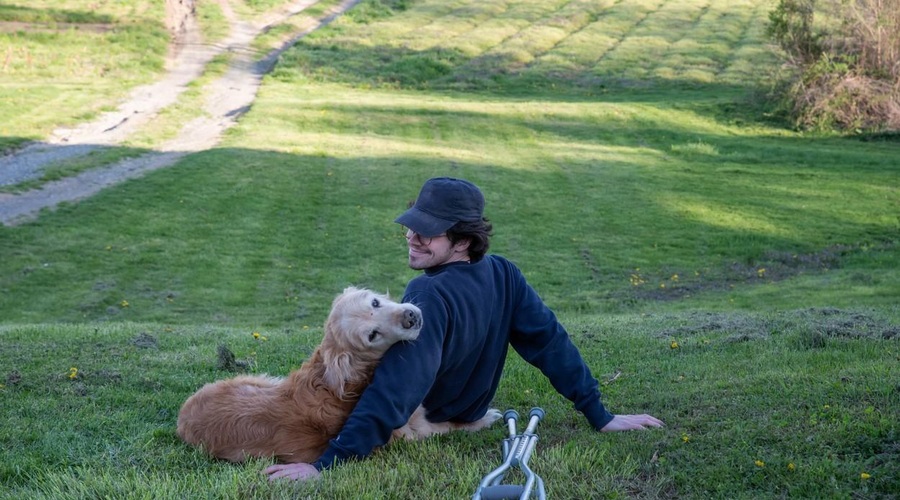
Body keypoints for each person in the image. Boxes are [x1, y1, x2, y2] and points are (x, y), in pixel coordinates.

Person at [266, 177, 664, 481]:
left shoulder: (427, 293)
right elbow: (548, 341)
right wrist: (599, 414)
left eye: (427, 232)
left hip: (425, 421)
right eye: (411, 226)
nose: (411, 237)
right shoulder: (503, 272)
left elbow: (398, 388)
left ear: (462, 241)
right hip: (472, 412)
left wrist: (327, 463)